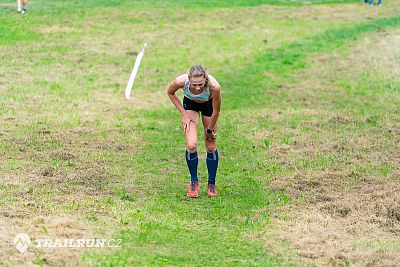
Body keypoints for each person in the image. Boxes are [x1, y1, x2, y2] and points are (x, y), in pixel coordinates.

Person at [167, 65, 221, 198]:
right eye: (194, 84)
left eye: (201, 84)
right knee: (191, 145)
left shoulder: (214, 87)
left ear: (206, 80)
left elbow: (216, 111)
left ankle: (211, 184)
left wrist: (209, 130)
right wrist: (184, 114)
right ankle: (194, 182)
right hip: (190, 104)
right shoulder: (181, 81)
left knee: (210, 146)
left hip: (209, 106)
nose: (197, 88)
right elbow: (170, 92)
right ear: (189, 80)